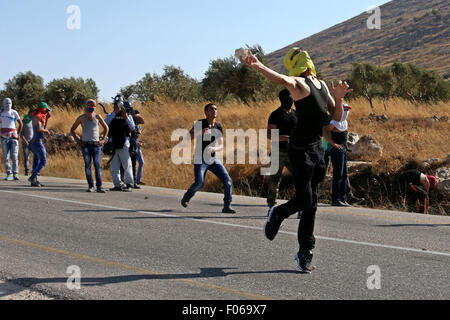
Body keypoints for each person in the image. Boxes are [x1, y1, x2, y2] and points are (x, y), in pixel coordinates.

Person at [240, 48, 352, 273]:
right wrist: (258, 65)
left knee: (311, 204)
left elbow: (337, 117)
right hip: (299, 150)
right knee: (305, 199)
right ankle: (278, 214)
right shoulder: (298, 85)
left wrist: (339, 99)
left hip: (316, 149)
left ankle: (305, 251)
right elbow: (280, 78)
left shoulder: (320, 85)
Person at [181, 103, 236, 214]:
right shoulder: (200, 123)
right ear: (206, 112)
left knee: (227, 180)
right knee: (199, 182)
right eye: (211, 109)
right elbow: (187, 137)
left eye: (215, 109)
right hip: (200, 158)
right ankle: (187, 197)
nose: (214, 111)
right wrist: (200, 132)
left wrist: (214, 148)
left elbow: (221, 145)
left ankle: (227, 206)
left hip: (213, 158)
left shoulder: (218, 126)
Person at [323, 103, 363, 206]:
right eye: (344, 109)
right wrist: (333, 144)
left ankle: (342, 198)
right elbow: (325, 131)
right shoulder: (335, 122)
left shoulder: (343, 122)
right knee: (338, 175)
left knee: (344, 175)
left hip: (343, 150)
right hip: (337, 151)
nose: (346, 112)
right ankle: (336, 199)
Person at [266, 89, 297, 210]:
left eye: (291, 97)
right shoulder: (276, 115)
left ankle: (299, 203)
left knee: (300, 177)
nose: (290, 99)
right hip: (278, 151)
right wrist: (283, 138)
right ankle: (272, 205)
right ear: (282, 99)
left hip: (293, 151)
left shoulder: (295, 114)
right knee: (275, 179)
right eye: (288, 97)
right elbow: (269, 134)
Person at [70, 99, 109, 193]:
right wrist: (78, 140)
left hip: (96, 145)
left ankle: (99, 187)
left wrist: (103, 139)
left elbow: (106, 127)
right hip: (86, 145)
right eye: (89, 105)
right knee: (88, 165)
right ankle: (91, 186)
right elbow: (72, 130)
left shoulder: (98, 116)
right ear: (86, 106)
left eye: (93, 106)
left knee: (97, 165)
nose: (91, 107)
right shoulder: (81, 118)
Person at [105, 95, 135, 192]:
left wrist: (125, 117)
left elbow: (132, 127)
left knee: (127, 165)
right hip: (113, 143)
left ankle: (129, 184)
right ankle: (117, 184)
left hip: (123, 143)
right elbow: (106, 123)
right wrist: (115, 113)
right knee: (114, 166)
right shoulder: (111, 115)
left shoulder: (127, 116)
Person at [28, 102, 52, 187]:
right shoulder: (37, 117)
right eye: (46, 110)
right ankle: (33, 177)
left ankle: (34, 181)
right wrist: (47, 131)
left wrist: (47, 119)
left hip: (37, 141)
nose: (47, 112)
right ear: (43, 109)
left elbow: (43, 128)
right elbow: (39, 129)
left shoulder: (40, 117)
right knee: (43, 161)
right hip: (37, 142)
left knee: (36, 161)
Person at [1, 98, 23, 181]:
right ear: (3, 104)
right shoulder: (1, 113)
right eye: (6, 103)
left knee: (14, 156)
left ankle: (15, 173)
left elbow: (20, 124)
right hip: (4, 137)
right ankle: (9, 174)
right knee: (6, 157)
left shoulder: (14, 112)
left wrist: (18, 134)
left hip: (13, 137)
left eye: (9, 103)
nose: (8, 105)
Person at [21, 110, 34, 176]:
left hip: (33, 142)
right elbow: (21, 133)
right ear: (29, 113)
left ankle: (35, 170)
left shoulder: (34, 121)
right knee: (26, 157)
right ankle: (27, 170)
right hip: (25, 141)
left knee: (36, 156)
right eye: (32, 113)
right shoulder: (24, 122)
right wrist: (25, 140)